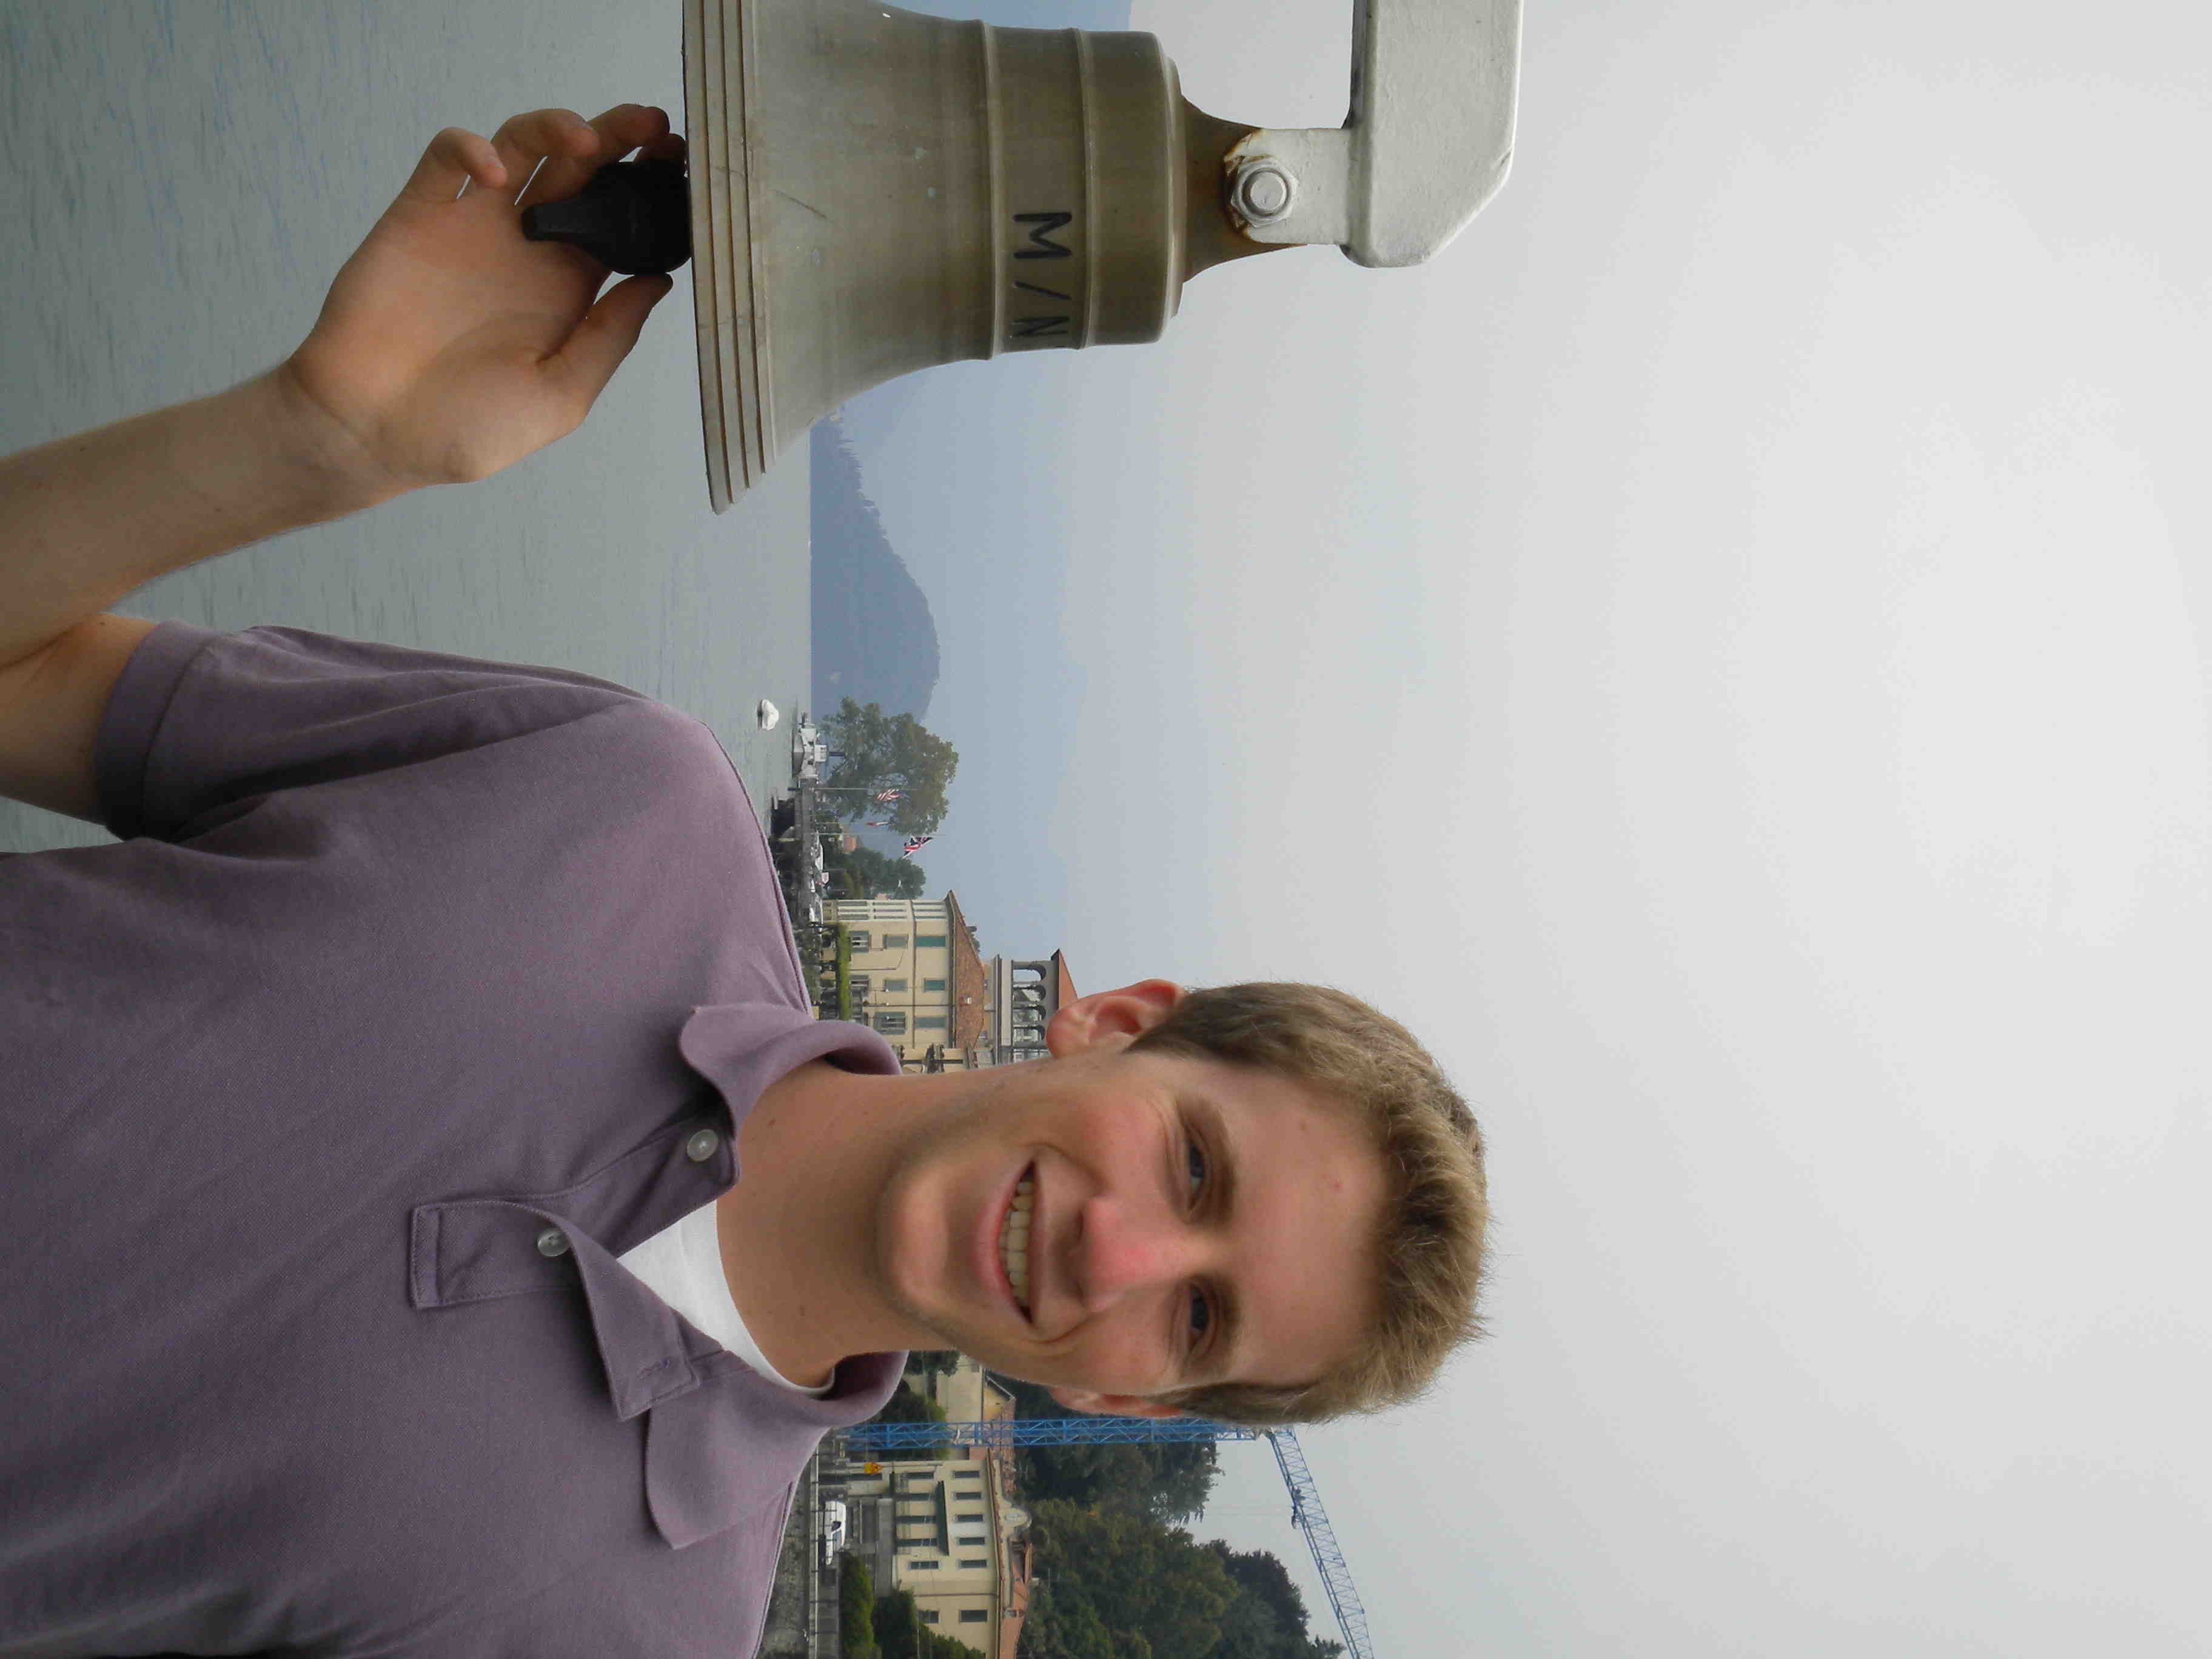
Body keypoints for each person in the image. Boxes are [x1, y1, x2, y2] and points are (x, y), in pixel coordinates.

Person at [0, 106, 1488, 1656]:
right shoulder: (625, 796)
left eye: (1196, 1315)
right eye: (1192, 1167)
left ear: (1133, 1401)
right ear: (1118, 1022)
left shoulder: (636, 1633)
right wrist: (318, 438)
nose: (1114, 1253)